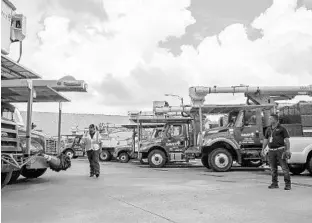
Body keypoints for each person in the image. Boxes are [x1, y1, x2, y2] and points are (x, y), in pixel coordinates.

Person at [261, 114, 292, 190]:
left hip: (280, 150)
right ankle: (274, 183)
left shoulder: (282, 128)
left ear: (275, 119)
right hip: (271, 151)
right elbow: (266, 140)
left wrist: (287, 150)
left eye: (271, 118)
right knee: (273, 168)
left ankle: (288, 184)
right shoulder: (268, 129)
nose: (269, 120)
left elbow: (287, 140)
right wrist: (263, 149)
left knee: (284, 168)